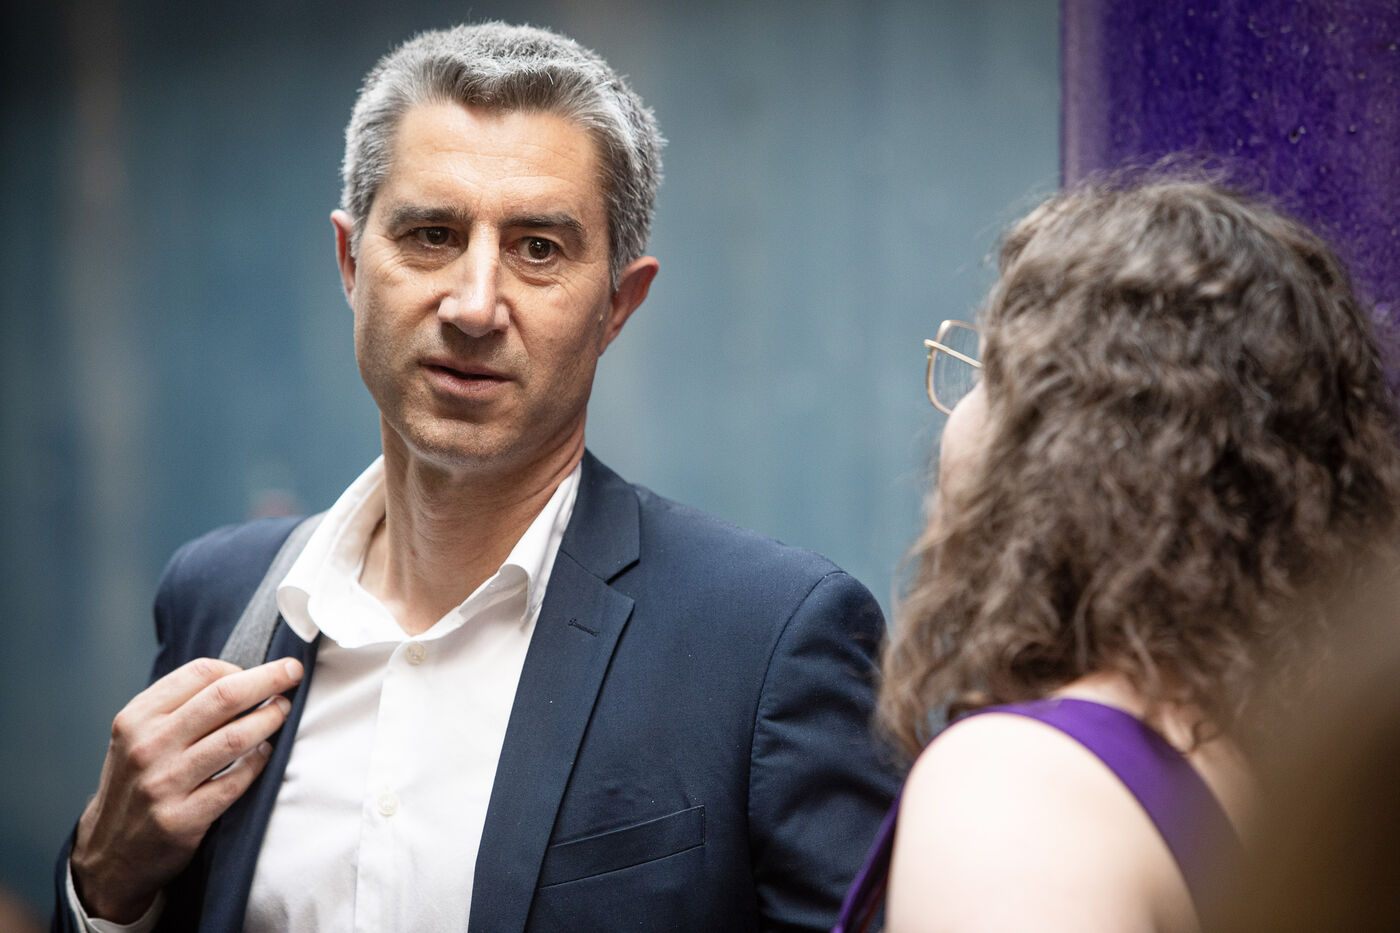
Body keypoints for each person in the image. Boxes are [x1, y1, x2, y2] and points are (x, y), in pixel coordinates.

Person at [55, 22, 898, 933]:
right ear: (350, 262)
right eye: (432, 234)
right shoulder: (219, 600)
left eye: (538, 249)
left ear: (619, 305)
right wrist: (104, 884)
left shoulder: (768, 642)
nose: (473, 305)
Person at [835, 178, 1400, 932]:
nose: (952, 413)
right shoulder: (1292, 778)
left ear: (1071, 451)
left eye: (992, 372)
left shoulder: (1021, 787)